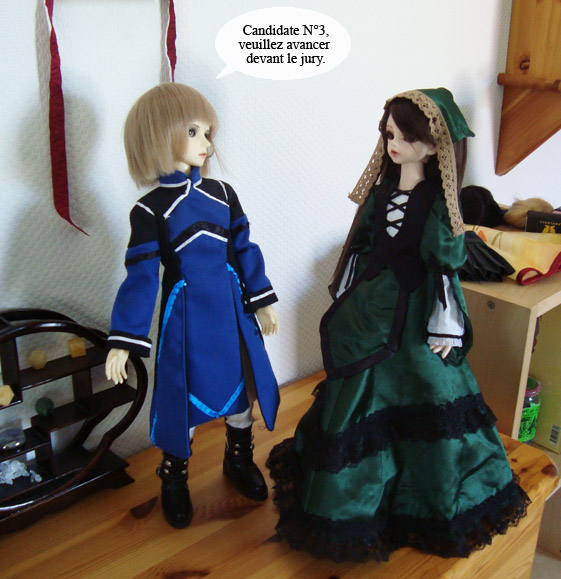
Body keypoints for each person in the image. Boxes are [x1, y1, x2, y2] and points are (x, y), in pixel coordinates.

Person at [267, 88, 529, 562]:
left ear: (433, 147)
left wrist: (445, 321)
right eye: (390, 134)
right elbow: (363, 243)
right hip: (371, 306)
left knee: (427, 390)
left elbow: (444, 263)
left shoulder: (438, 204)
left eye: (407, 138)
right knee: (357, 393)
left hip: (416, 311)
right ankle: (356, 498)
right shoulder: (381, 193)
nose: (395, 145)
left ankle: (423, 500)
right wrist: (350, 290)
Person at [105, 83, 280, 529]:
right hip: (185, 318)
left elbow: (244, 249)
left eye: (207, 132)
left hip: (231, 311)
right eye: (193, 131)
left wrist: (261, 299)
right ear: (159, 136)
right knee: (180, 398)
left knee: (240, 392)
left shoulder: (223, 194)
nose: (207, 142)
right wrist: (123, 339)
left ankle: (238, 458)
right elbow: (142, 277)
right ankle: (173, 476)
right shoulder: (149, 210)